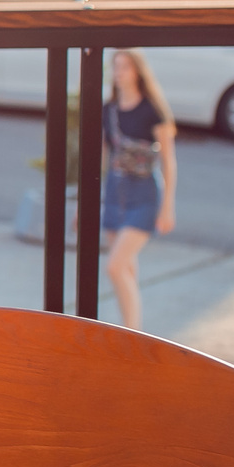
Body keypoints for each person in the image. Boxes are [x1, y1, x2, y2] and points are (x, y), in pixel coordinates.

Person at [102, 49, 177, 332]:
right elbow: (102, 158)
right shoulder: (108, 110)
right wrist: (91, 201)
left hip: (144, 193)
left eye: (125, 67)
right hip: (115, 190)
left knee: (115, 266)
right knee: (127, 269)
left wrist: (168, 206)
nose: (119, 72)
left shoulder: (152, 110)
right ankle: (132, 328)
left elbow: (168, 160)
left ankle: (131, 334)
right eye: (116, 66)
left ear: (138, 72)